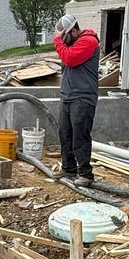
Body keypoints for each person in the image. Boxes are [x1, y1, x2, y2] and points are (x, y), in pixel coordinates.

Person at [53, 14, 100, 186]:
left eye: (65, 37)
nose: (63, 41)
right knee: (65, 134)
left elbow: (70, 58)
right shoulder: (72, 43)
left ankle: (86, 174)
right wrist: (62, 42)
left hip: (83, 97)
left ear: (74, 30)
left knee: (80, 136)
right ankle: (69, 168)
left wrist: (58, 42)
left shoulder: (89, 41)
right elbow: (67, 55)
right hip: (68, 96)